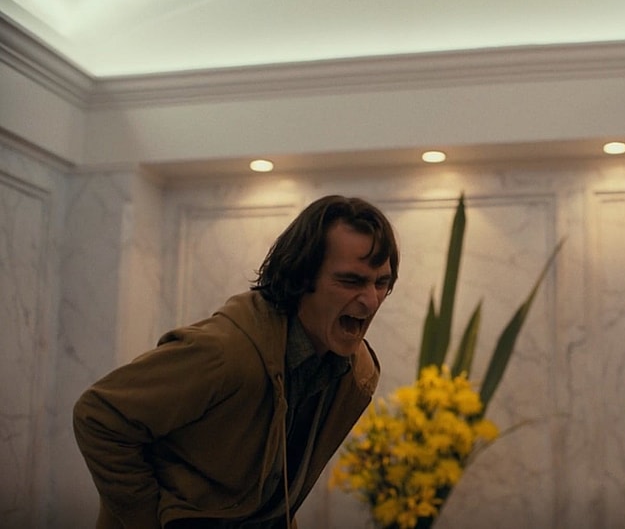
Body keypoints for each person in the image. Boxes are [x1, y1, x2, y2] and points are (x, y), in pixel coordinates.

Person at [73, 195, 399, 528]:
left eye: (382, 283)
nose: (371, 301)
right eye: (351, 281)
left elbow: (273, 490)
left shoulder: (356, 375)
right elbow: (99, 415)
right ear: (302, 277)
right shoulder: (226, 352)